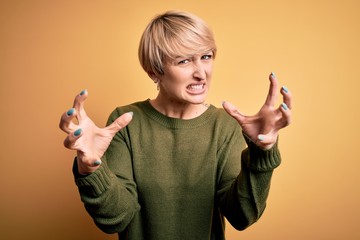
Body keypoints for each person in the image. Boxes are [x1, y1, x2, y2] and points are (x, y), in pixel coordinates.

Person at [59, 10, 292, 240]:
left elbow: (241, 216)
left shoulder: (225, 126)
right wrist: (90, 169)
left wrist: (261, 153)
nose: (201, 73)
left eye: (206, 56)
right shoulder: (126, 122)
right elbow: (116, 218)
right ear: (154, 72)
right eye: (184, 61)